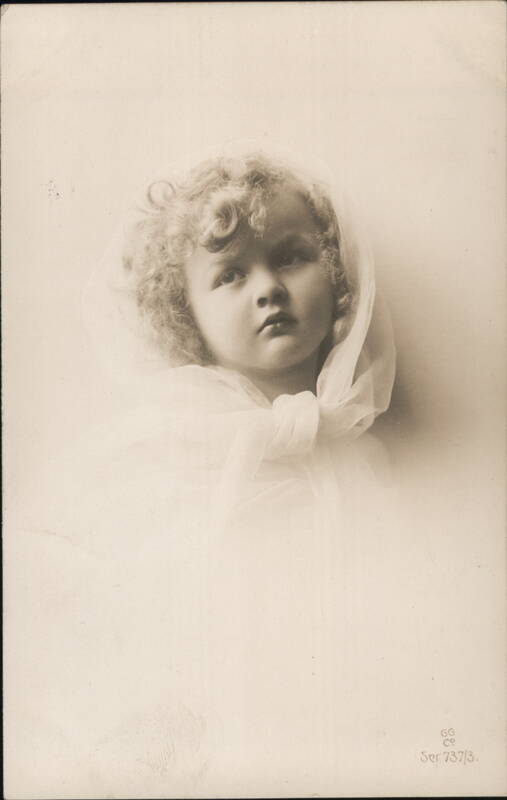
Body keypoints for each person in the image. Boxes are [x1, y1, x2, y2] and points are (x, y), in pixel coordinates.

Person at [13, 142, 397, 796]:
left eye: (291, 257)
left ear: (334, 273)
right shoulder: (167, 442)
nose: (268, 289)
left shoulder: (362, 451)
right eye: (230, 276)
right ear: (184, 313)